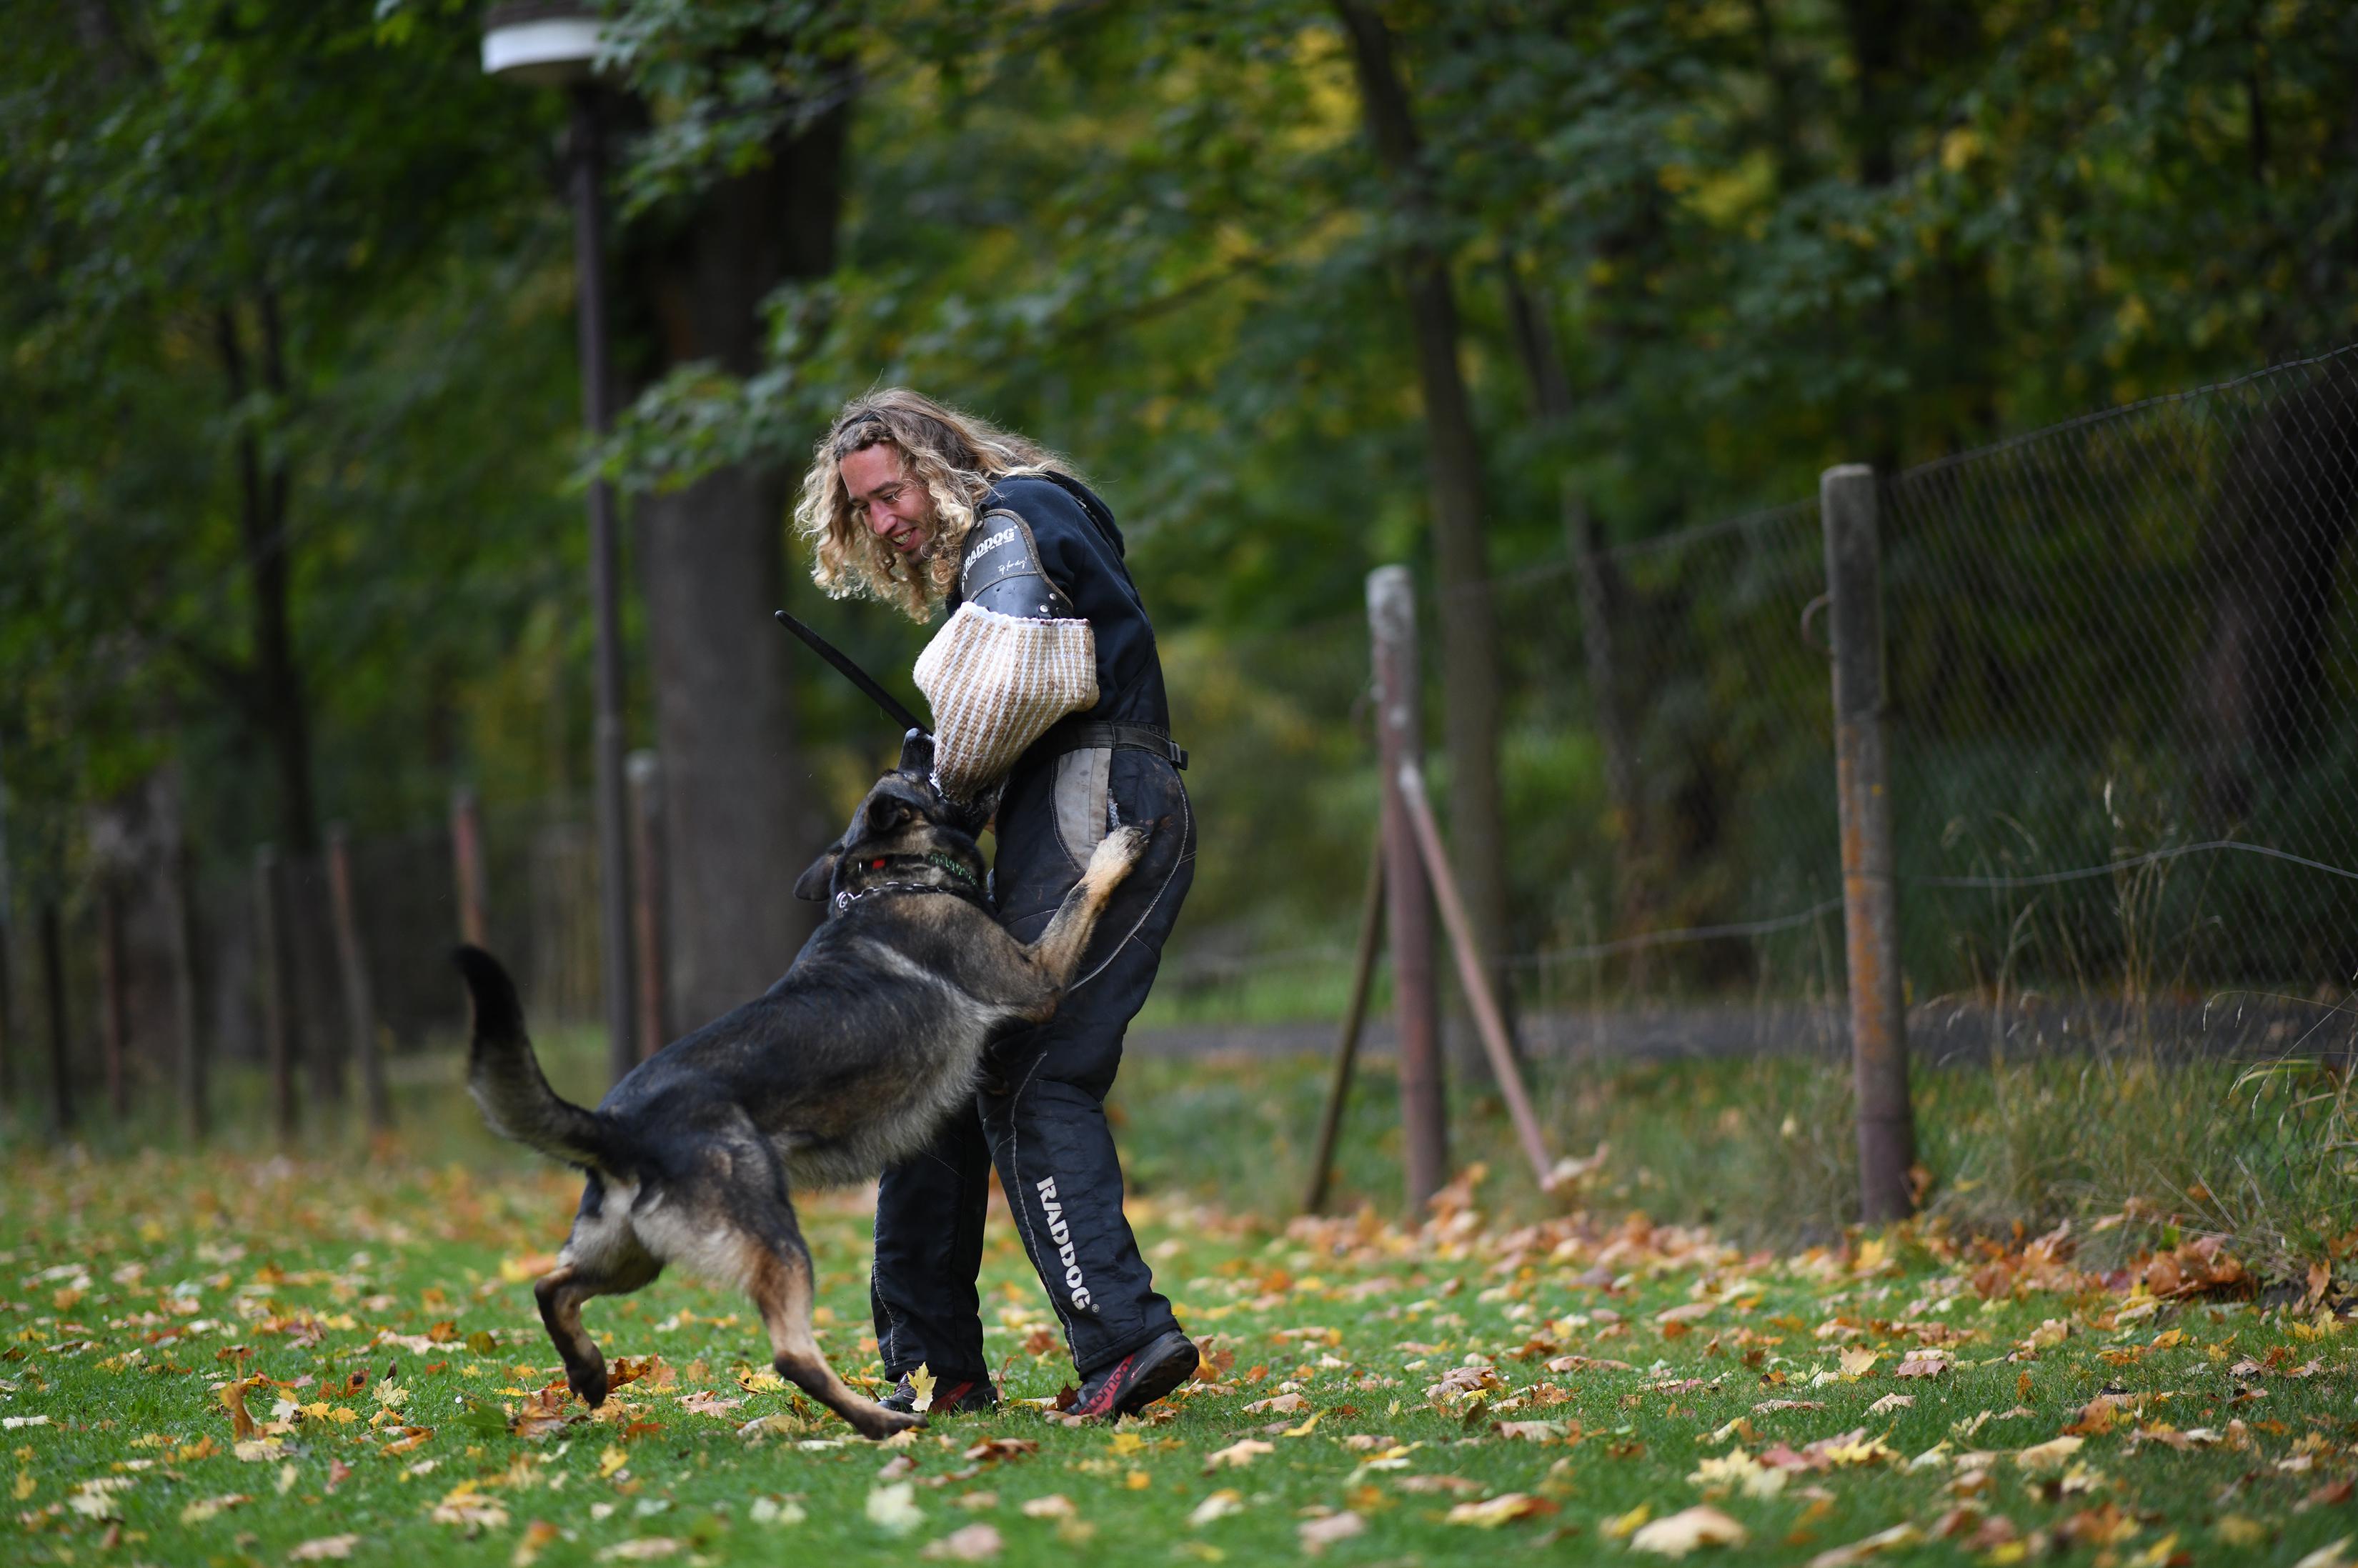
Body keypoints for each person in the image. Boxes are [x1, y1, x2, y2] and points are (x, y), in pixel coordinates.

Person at [791, 389, 1199, 1419]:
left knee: (1029, 1072)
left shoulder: (1010, 522)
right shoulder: (1033, 520)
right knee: (946, 1071)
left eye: (892, 492)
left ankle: (1126, 1342)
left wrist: (943, 790)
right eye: (865, 510)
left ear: (937, 461)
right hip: (1062, 804)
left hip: (1094, 800)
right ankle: (934, 1369)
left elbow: (1015, 682)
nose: (886, 521)